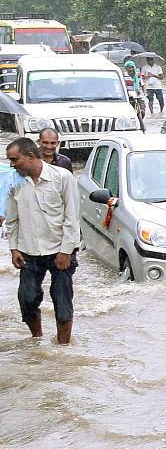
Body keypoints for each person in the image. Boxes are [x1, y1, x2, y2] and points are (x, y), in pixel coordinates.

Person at [5, 137, 81, 344]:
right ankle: (37, 341)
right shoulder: (14, 182)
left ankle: (63, 349)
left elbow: (72, 217)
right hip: (28, 250)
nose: (12, 165)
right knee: (27, 300)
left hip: (59, 251)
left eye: (14, 159)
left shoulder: (62, 178)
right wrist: (14, 248)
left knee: (62, 302)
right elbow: (12, 219)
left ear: (30, 156)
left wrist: (66, 251)